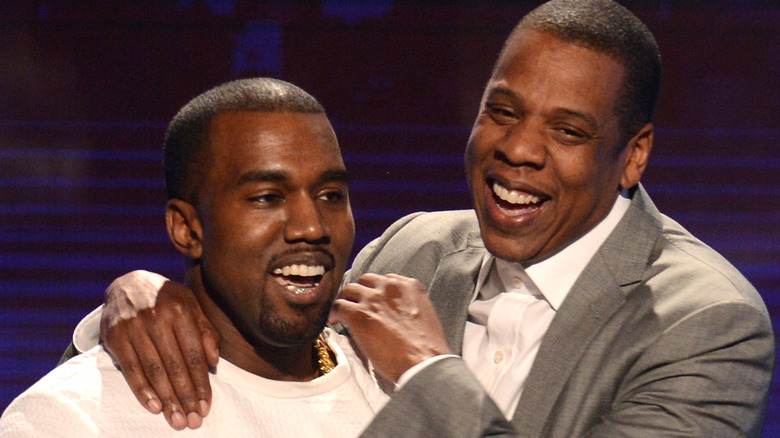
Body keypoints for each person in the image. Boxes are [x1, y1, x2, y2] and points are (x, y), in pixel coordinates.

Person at [58, 0, 775, 436]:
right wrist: (140, 303)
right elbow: (264, 337)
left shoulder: (704, 323)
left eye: (568, 132)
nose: (517, 149)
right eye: (502, 110)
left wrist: (428, 370)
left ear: (634, 156)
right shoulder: (418, 246)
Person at [0, 77, 390, 437]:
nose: (311, 226)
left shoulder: (394, 385)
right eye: (267, 197)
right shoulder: (72, 419)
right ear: (187, 229)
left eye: (331, 196)